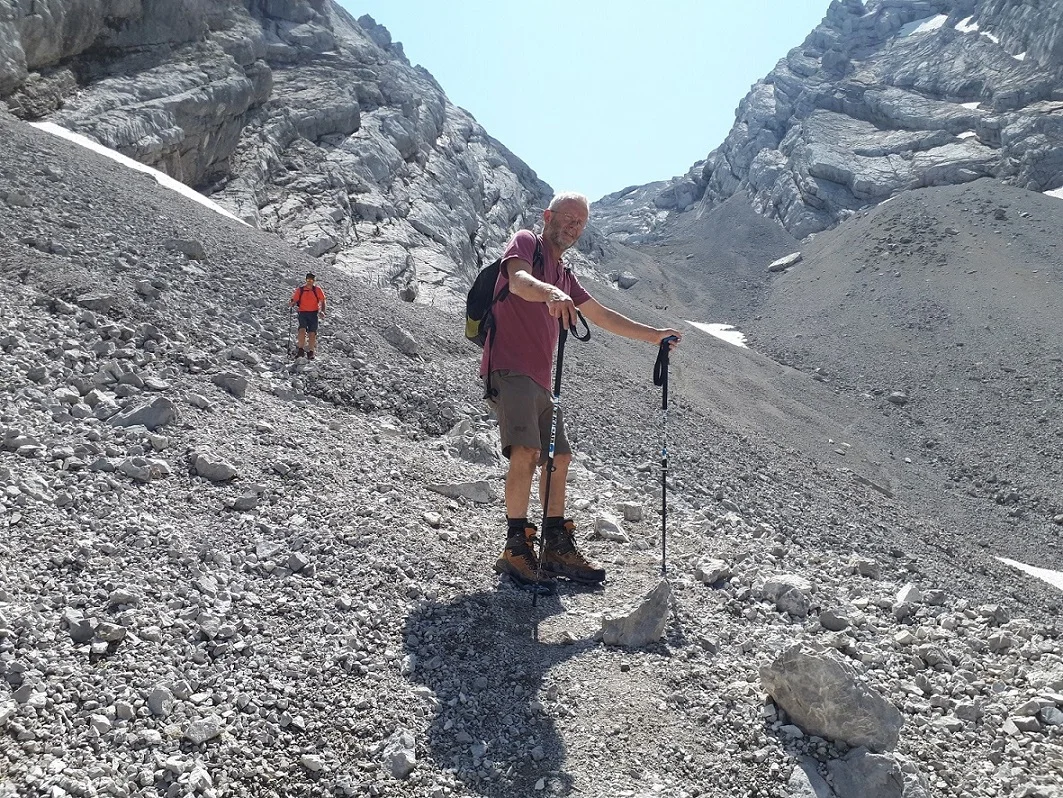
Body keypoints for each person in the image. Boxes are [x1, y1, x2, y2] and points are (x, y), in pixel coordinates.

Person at [481, 191, 682, 591]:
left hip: (540, 379)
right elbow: (518, 282)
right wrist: (551, 293)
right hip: (509, 367)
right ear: (548, 216)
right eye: (568, 218)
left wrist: (654, 335)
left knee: (559, 456)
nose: (573, 227)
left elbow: (602, 315)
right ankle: (516, 546)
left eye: (580, 223)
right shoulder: (526, 242)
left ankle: (554, 543)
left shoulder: (565, 274)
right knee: (527, 451)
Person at [289, 272, 326, 360]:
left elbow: (323, 301)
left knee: (312, 333)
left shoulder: (317, 290)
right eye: (308, 280)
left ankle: (311, 351)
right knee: (302, 330)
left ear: (314, 281)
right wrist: (292, 303)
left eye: (311, 280)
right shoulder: (300, 290)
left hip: (313, 313)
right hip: (302, 312)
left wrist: (322, 311)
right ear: (306, 280)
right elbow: (294, 300)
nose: (309, 282)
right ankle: (300, 350)